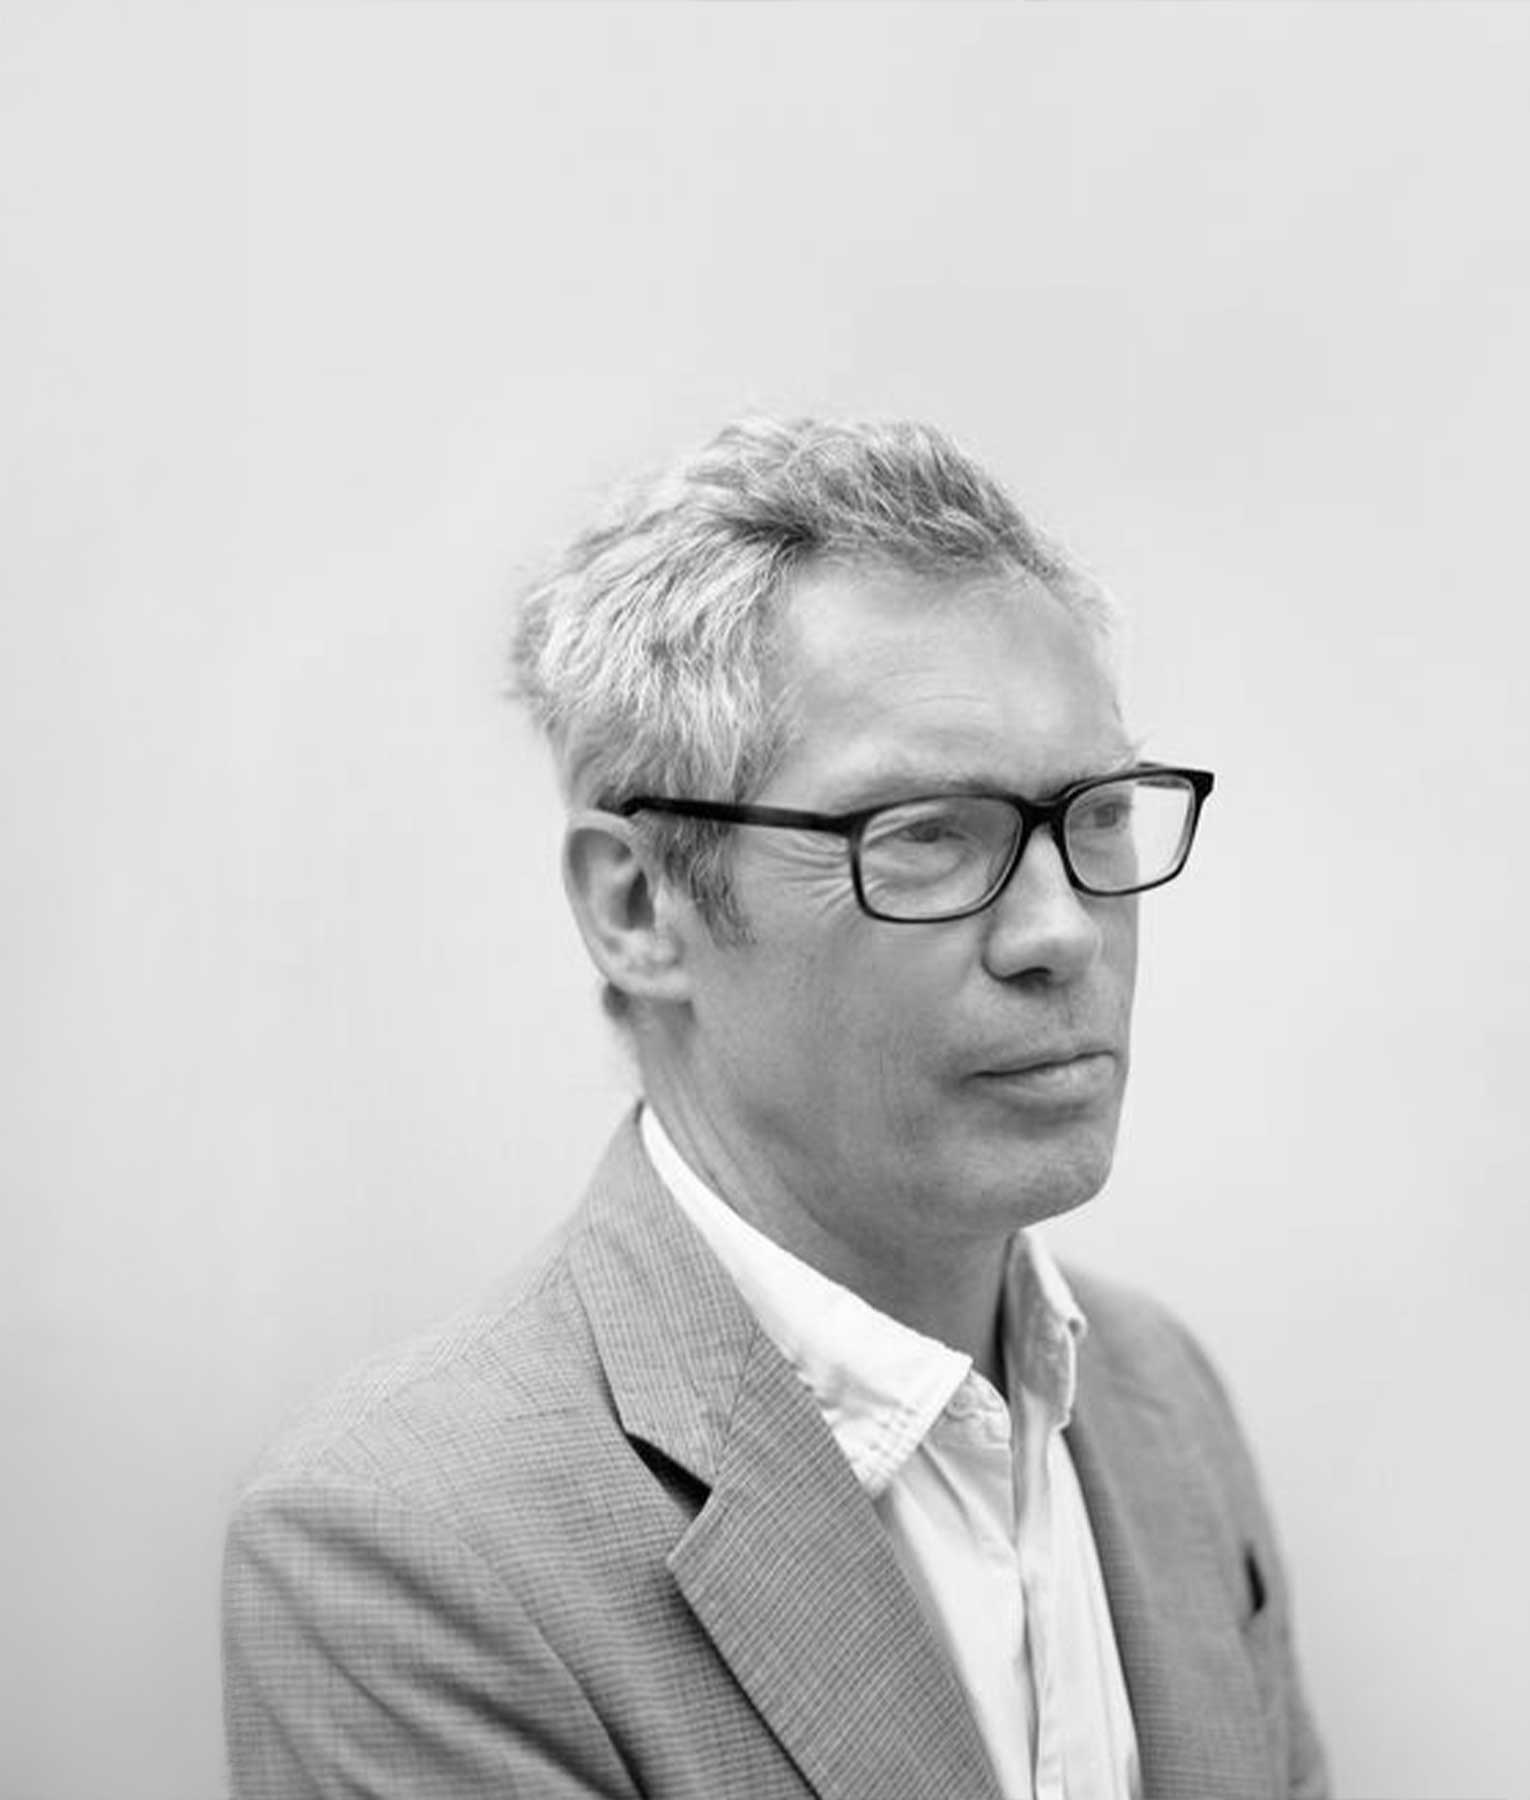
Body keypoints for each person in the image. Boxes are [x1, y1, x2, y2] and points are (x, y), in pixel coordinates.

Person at [221, 416, 1330, 1800]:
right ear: (639, 907)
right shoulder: (409, 1550)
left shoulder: (1162, 1400)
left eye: (1098, 812)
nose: (1062, 930)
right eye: (926, 834)